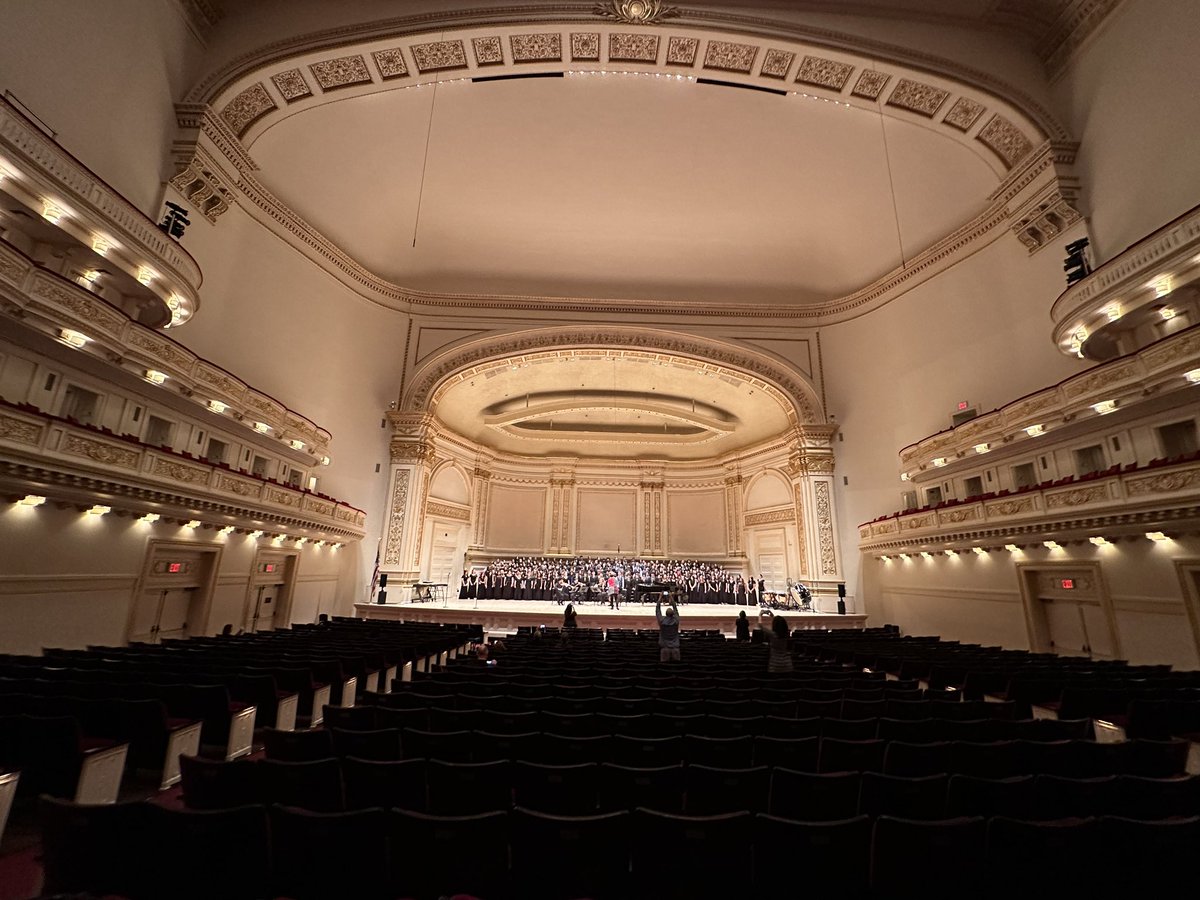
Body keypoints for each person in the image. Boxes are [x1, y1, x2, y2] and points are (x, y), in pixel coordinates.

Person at [655, 595, 681, 663]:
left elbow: (657, 610)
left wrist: (660, 597)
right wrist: (671, 597)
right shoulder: (676, 621)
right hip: (675, 648)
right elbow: (675, 608)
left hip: (664, 648)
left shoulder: (662, 621)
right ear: (673, 614)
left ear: (666, 614)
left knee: (664, 666)